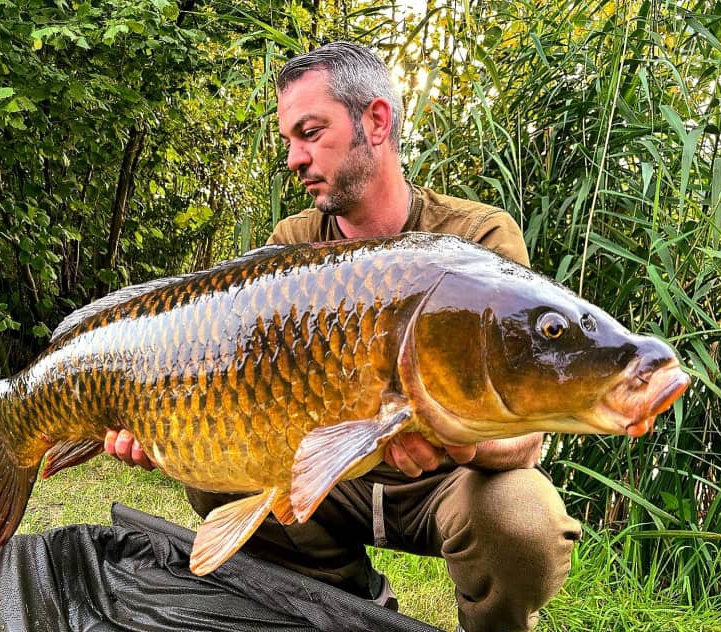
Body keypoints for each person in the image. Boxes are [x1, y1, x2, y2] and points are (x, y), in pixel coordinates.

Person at [105, 42, 582, 632]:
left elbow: (526, 440)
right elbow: (231, 384)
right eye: (288, 141)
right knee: (216, 479)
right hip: (333, 482)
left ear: (376, 121)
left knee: (523, 522)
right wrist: (162, 427)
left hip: (443, 488)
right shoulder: (292, 247)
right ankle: (357, 609)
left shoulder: (475, 241)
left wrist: (456, 442)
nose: (293, 158)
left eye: (310, 132)